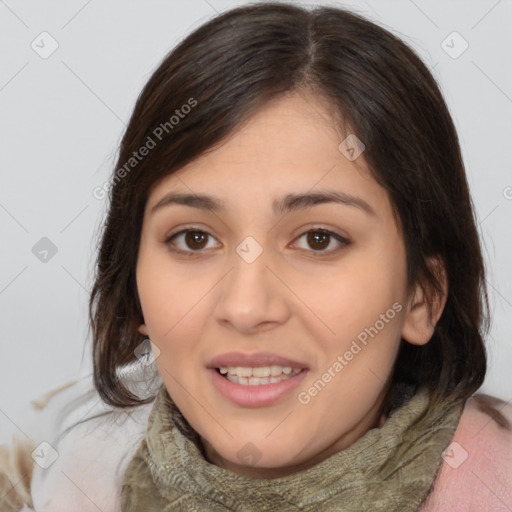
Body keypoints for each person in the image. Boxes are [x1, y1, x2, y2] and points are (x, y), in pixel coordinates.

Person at [1, 2, 511, 511]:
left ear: (422, 294)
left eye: (318, 240)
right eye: (194, 239)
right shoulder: (64, 484)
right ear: (134, 290)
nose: (246, 307)